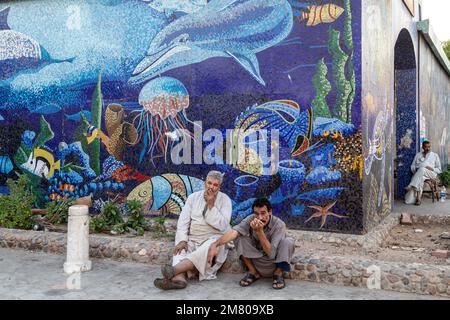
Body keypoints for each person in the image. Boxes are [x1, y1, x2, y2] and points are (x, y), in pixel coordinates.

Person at [154, 170, 232, 290]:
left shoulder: (225, 200)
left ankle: (174, 270)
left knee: (208, 247)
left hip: (214, 239)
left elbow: (223, 225)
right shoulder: (193, 197)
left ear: (219, 187)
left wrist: (211, 205)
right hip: (194, 238)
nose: (211, 187)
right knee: (180, 250)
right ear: (205, 183)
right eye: (209, 183)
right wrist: (182, 240)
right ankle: (179, 280)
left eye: (215, 185)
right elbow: (183, 222)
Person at [207, 198, 295, 290]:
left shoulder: (279, 224)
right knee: (239, 237)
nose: (259, 217)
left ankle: (278, 273)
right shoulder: (250, 219)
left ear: (270, 212)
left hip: (274, 263)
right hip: (256, 261)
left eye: (263, 213)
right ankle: (253, 272)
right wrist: (215, 244)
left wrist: (259, 232)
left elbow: (272, 254)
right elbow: (234, 232)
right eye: (256, 214)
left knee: (288, 241)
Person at [405, 140, 442, 205]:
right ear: (422, 147)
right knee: (421, 176)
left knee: (422, 168)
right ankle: (418, 199)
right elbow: (413, 165)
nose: (428, 148)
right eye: (426, 147)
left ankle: (411, 185)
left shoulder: (435, 155)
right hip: (420, 174)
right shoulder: (418, 155)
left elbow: (439, 170)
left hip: (431, 173)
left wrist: (431, 168)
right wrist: (416, 170)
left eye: (429, 147)